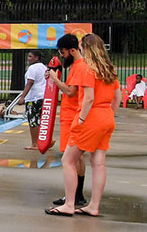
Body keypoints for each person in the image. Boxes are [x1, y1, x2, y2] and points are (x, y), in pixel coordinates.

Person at [46, 34, 121, 217]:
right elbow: (117, 96)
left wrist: (81, 120)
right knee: (98, 163)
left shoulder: (88, 69)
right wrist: (109, 114)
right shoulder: (109, 69)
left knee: (68, 160)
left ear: (86, 49)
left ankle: (69, 204)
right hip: (106, 117)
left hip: (90, 117)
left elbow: (88, 97)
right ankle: (94, 206)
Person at [45, 34, 88, 207]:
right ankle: (77, 195)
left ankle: (72, 196)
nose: (62, 56)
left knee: (69, 160)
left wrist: (55, 79)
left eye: (63, 52)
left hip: (72, 117)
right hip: (71, 116)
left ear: (72, 50)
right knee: (77, 158)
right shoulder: (77, 66)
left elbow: (71, 92)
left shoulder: (79, 67)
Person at [17, 51, 49, 150]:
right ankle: (47, 140)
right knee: (42, 120)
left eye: (30, 56)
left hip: (33, 98)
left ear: (36, 58)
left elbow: (30, 82)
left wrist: (23, 96)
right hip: (42, 96)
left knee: (33, 121)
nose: (28, 58)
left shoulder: (32, 68)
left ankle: (34, 143)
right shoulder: (44, 67)